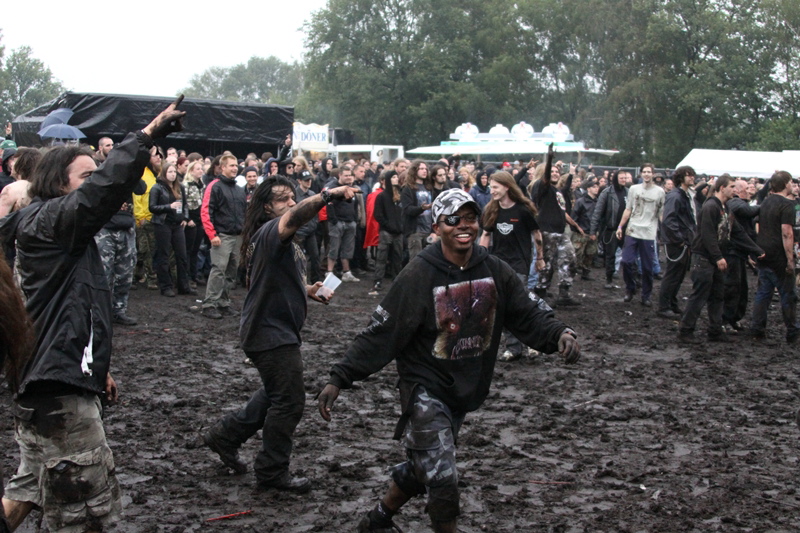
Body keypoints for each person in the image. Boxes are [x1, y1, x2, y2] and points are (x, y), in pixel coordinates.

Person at [316, 188, 580, 533]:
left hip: (465, 385)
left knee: (424, 463)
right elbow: (382, 332)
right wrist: (339, 377)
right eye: (453, 219)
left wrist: (558, 332)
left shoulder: (493, 269)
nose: (463, 226)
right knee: (442, 476)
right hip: (425, 386)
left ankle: (377, 521)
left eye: (470, 218)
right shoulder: (418, 274)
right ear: (437, 226)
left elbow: (526, 310)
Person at [0, 99, 185, 533]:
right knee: (87, 510)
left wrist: (97, 370)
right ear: (57, 185)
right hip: (55, 392)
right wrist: (147, 135)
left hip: (52, 379)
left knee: (28, 489)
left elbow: (75, 310)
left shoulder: (60, 231)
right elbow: (102, 191)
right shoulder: (49, 222)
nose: (99, 184)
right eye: (86, 176)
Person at [202, 176, 359, 493]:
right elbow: (297, 215)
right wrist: (327, 195)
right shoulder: (271, 232)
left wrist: (308, 290)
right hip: (269, 333)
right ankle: (272, 472)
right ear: (266, 207)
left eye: (292, 197)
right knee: (289, 401)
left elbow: (274, 279)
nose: (290, 203)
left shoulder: (279, 241)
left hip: (274, 330)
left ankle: (225, 435)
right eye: (283, 199)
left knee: (277, 393)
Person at [678, 175, 762, 342]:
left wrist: (757, 250)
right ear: (721, 188)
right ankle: (685, 331)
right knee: (699, 295)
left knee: (718, 295)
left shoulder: (725, 208)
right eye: (732, 186)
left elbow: (737, 232)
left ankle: (715, 330)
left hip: (714, 258)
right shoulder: (710, 207)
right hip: (703, 258)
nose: (735, 190)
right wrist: (718, 257)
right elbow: (708, 235)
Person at [479, 172, 545, 362]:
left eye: (495, 187)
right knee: (502, 307)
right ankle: (514, 348)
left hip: (519, 264)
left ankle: (533, 343)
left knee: (520, 305)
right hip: (497, 264)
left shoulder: (523, 210)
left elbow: (537, 234)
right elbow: (485, 235)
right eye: (491, 188)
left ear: (507, 187)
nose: (492, 191)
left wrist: (540, 258)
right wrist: (480, 258)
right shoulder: (492, 210)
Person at [750, 171, 800, 342]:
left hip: (763, 253)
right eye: (791, 182)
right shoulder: (787, 205)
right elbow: (787, 233)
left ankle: (757, 329)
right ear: (786, 183)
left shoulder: (766, 202)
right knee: (788, 294)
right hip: (779, 255)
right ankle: (792, 332)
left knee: (763, 293)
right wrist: (790, 259)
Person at [530, 148, 581, 306]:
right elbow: (545, 178)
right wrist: (550, 159)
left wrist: (575, 225)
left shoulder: (556, 190)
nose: (555, 173)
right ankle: (540, 292)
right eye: (551, 171)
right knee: (547, 264)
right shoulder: (541, 187)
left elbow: (562, 209)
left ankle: (564, 293)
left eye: (556, 171)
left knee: (570, 259)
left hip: (560, 232)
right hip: (546, 232)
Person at [200, 154, 247, 318]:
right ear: (223, 167)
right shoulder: (215, 186)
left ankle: (223, 303)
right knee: (218, 270)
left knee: (231, 272)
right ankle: (209, 304)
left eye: (236, 165)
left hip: (237, 236)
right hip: (222, 235)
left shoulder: (239, 190)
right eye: (231, 165)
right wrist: (212, 234)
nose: (235, 168)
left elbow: (244, 213)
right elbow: (206, 211)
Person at [616, 163, 665, 306]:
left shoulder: (659, 192)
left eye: (649, 172)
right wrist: (620, 226)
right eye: (644, 171)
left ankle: (646, 295)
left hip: (649, 233)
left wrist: (665, 231)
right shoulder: (633, 189)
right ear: (641, 174)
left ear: (653, 174)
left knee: (648, 267)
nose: (647, 174)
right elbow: (628, 209)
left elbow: (661, 213)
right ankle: (630, 288)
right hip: (632, 230)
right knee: (626, 261)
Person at [149, 162, 194, 297]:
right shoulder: (157, 188)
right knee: (163, 255)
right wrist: (169, 206)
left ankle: (183, 285)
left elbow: (185, 205)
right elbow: (152, 207)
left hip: (177, 224)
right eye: (169, 172)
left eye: (174, 172)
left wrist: (185, 218)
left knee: (182, 255)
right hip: (162, 223)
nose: (173, 174)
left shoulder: (179, 187)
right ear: (163, 173)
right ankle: (166, 286)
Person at [657, 166, 697, 319]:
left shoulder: (684, 195)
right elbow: (669, 220)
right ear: (681, 177)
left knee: (678, 276)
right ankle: (664, 306)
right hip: (677, 243)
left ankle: (671, 303)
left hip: (683, 241)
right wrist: (679, 239)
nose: (692, 178)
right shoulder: (676, 196)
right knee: (672, 275)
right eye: (688, 175)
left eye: (692, 175)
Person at [132, 146, 162, 290]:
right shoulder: (143, 174)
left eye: (160, 156)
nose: (159, 158)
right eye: (155, 155)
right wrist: (140, 217)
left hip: (154, 218)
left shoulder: (155, 174)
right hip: (144, 219)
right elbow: (138, 197)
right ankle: (147, 277)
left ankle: (138, 274)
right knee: (144, 250)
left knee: (149, 249)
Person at [371, 171, 404, 294]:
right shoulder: (382, 196)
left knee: (397, 257)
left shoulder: (400, 194)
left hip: (398, 232)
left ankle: (397, 280)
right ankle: (377, 281)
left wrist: (401, 226)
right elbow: (378, 215)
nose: (396, 179)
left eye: (397, 176)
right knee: (381, 258)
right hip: (386, 232)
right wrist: (388, 226)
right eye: (393, 177)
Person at [326, 165, 361, 281]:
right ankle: (329, 272)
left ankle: (346, 272)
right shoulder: (332, 187)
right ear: (339, 175)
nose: (348, 177)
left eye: (350, 175)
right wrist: (334, 220)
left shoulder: (352, 188)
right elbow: (327, 202)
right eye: (346, 175)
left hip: (350, 222)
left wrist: (355, 219)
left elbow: (355, 205)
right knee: (334, 248)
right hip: (337, 222)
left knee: (348, 249)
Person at [401, 160, 433, 261]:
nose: (425, 171)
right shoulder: (408, 188)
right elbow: (407, 209)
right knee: (416, 262)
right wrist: (421, 208)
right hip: (415, 231)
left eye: (426, 169)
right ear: (415, 171)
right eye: (421, 169)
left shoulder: (428, 187)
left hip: (428, 229)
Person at [570, 177, 599, 280]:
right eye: (594, 187)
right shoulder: (580, 201)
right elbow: (574, 217)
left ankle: (586, 273)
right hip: (581, 232)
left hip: (593, 232)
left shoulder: (598, 202)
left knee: (590, 254)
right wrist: (578, 229)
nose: (596, 189)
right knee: (577, 255)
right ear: (588, 189)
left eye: (597, 187)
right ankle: (571, 274)